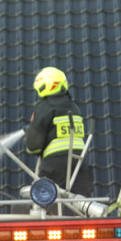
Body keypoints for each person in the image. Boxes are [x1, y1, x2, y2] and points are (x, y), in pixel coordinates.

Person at [23, 66, 93, 196]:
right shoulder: (75, 108)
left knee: (48, 205)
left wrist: (29, 132)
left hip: (54, 167)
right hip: (80, 166)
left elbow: (33, 146)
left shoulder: (45, 107)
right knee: (82, 208)